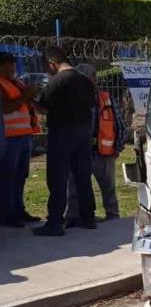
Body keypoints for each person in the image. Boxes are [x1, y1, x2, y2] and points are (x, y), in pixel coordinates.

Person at [33, 47, 96, 237]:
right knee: (83, 176)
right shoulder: (85, 81)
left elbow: (43, 107)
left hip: (61, 134)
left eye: (47, 66)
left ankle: (55, 222)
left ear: (52, 63)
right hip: (83, 132)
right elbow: (92, 104)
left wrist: (31, 100)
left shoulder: (56, 82)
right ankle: (88, 217)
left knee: (58, 178)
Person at [66, 63, 126, 226]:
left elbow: (119, 124)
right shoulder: (71, 100)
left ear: (94, 79)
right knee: (74, 189)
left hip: (103, 153)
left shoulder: (105, 99)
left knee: (108, 189)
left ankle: (113, 218)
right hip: (79, 153)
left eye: (88, 78)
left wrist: (117, 147)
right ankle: (73, 217)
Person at [0, 52, 41, 227]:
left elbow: (27, 103)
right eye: (8, 65)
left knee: (20, 176)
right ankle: (7, 214)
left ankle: (19, 209)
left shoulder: (17, 83)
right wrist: (25, 95)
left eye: (13, 65)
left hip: (24, 137)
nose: (12, 68)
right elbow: (6, 108)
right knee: (8, 177)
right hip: (9, 139)